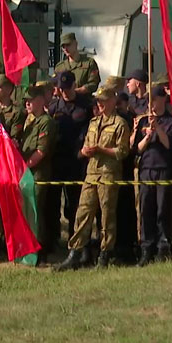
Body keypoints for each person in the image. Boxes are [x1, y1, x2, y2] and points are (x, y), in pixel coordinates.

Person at [56, 86, 131, 270]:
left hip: (108, 174)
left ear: (113, 101)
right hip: (91, 173)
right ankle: (75, 252)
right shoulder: (93, 123)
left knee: (106, 216)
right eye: (98, 101)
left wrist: (101, 150)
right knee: (82, 213)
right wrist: (84, 151)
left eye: (104, 100)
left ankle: (105, 254)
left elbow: (122, 151)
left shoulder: (119, 124)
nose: (100, 104)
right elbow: (87, 146)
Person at [131, 85, 172, 266]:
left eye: (154, 100)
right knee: (146, 210)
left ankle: (163, 246)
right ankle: (146, 247)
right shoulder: (143, 121)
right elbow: (137, 148)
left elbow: (169, 144)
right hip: (146, 169)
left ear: (162, 100)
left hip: (163, 168)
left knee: (162, 210)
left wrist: (158, 128)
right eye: (148, 100)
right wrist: (147, 135)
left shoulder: (170, 121)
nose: (150, 104)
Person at [47, 70, 94, 240]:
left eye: (67, 88)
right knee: (52, 203)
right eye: (61, 88)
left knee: (74, 203)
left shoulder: (87, 106)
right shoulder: (53, 107)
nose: (65, 92)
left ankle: (75, 239)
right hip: (57, 159)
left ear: (74, 85)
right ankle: (54, 239)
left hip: (77, 160)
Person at [21, 85, 58, 263]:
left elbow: (41, 152)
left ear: (41, 100)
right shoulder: (28, 120)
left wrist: (24, 166)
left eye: (30, 100)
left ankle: (40, 247)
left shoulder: (45, 121)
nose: (27, 103)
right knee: (27, 210)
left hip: (37, 173)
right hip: (27, 173)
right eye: (26, 101)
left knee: (36, 211)